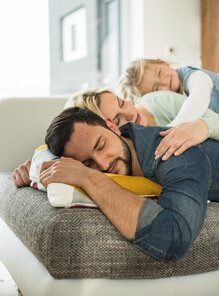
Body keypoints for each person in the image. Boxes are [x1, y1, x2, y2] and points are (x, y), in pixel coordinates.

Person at [37, 107, 219, 262]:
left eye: (101, 146)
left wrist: (88, 176)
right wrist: (35, 168)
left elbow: (172, 238)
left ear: (113, 126)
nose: (102, 164)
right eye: (86, 163)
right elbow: (52, 159)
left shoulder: (177, 153)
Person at [66, 87, 219, 160]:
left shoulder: (161, 102)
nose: (130, 114)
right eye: (118, 120)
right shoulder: (123, 156)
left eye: (121, 103)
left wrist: (203, 126)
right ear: (111, 129)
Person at [118, 58, 219, 126]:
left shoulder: (192, 75)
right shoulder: (172, 103)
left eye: (159, 73)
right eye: (156, 88)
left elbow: (199, 96)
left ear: (162, 62)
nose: (164, 81)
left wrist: (171, 130)